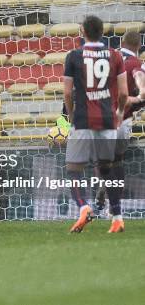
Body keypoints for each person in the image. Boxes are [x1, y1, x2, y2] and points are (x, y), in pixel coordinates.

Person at [63, 15, 128, 233]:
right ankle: (117, 217)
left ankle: (84, 208)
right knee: (107, 170)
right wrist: (118, 113)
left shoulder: (73, 56)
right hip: (108, 120)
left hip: (82, 119)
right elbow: (124, 93)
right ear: (103, 32)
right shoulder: (115, 55)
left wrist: (71, 115)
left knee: (74, 168)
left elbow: (66, 93)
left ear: (83, 31)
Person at [95, 29, 145, 232]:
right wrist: (140, 97)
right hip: (123, 122)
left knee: (103, 162)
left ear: (121, 43)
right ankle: (114, 207)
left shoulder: (108, 57)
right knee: (118, 162)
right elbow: (142, 85)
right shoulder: (135, 64)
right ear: (138, 46)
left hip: (102, 119)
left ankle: (104, 188)